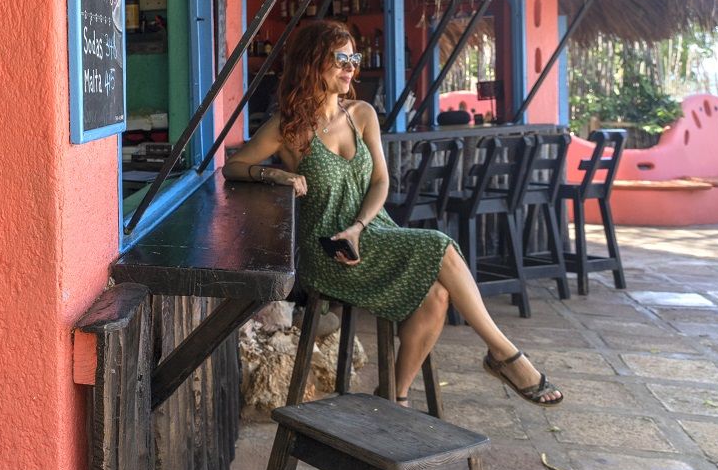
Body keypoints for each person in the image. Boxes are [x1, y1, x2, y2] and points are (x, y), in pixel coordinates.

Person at [222, 20, 562, 406]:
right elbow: (233, 167)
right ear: (311, 63)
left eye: (354, 58)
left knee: (437, 295)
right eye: (340, 59)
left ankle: (393, 397)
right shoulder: (289, 128)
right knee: (441, 244)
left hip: (371, 230)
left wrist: (359, 226)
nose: (350, 67)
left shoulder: (361, 114)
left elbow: (381, 182)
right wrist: (275, 173)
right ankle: (504, 355)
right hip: (328, 250)